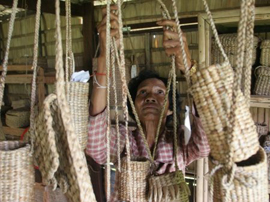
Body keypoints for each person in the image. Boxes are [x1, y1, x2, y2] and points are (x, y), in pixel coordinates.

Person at [86, 5, 210, 201]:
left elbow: (204, 142)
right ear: (133, 108)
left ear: (169, 110)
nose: (150, 97)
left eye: (160, 92)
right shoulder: (123, 140)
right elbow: (94, 145)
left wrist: (188, 68)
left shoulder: (181, 141)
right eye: (142, 92)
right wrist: (103, 58)